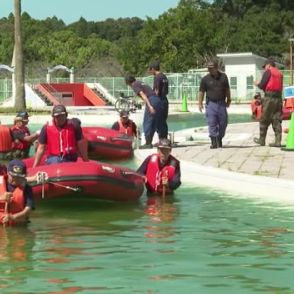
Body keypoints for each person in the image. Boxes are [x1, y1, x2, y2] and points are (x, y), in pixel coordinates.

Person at [198, 59, 231, 149]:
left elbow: (227, 89)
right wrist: (200, 103)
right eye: (208, 68)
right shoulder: (205, 79)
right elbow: (201, 92)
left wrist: (229, 99)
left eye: (211, 68)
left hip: (221, 103)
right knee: (212, 123)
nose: (210, 70)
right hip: (211, 104)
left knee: (223, 122)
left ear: (216, 68)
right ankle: (214, 141)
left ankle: (219, 138)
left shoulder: (223, 77)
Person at [125, 75, 164, 149]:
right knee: (156, 122)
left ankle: (148, 143)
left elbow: (143, 94)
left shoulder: (134, 85)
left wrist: (149, 106)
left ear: (128, 83)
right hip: (157, 100)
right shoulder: (140, 82)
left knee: (147, 122)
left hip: (151, 101)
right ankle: (162, 140)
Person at [253, 58, 283, 147]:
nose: (264, 68)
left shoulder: (268, 72)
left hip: (269, 98)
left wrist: (257, 83)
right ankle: (278, 141)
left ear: (269, 65)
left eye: (265, 66)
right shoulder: (280, 73)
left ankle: (262, 140)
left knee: (264, 118)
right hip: (278, 99)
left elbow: (262, 85)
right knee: (276, 119)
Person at [0, 159, 34, 226]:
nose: (15, 180)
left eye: (19, 177)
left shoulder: (27, 188)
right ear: (7, 172)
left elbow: (28, 210)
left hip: (17, 226)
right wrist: (1, 198)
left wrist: (13, 217)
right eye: (13, 176)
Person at [148, 61, 169, 139]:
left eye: (150, 69)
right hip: (165, 100)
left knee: (158, 121)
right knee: (163, 121)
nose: (149, 71)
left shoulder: (157, 77)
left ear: (153, 69)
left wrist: (153, 101)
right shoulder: (164, 76)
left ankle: (162, 140)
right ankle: (164, 139)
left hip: (159, 101)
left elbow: (157, 91)